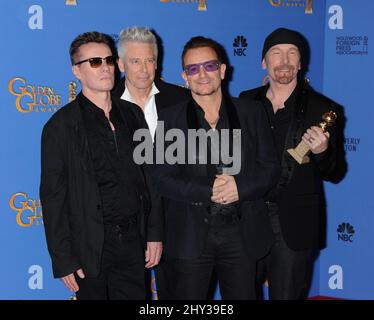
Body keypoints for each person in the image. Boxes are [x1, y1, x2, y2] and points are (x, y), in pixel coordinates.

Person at [148, 36, 279, 299]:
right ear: (184, 76)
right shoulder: (170, 119)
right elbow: (162, 177)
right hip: (190, 236)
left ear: (222, 70)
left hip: (241, 234)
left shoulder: (252, 112)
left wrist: (239, 187)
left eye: (209, 66)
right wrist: (208, 189)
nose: (202, 75)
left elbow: (270, 168)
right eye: (193, 69)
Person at [40, 31, 162, 300]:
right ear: (76, 71)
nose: (105, 67)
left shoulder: (132, 114)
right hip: (90, 248)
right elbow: (53, 197)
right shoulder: (60, 126)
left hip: (133, 242)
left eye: (108, 60)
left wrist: (154, 233)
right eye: (94, 62)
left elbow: (149, 177)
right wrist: (63, 258)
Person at [240, 27, 345, 300]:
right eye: (276, 53)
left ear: (300, 63)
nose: (284, 61)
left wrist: (323, 151)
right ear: (264, 62)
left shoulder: (325, 109)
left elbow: (335, 172)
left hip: (293, 223)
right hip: (248, 217)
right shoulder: (244, 101)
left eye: (291, 53)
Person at [112, 26, 190, 299]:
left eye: (149, 60)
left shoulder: (180, 99)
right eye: (135, 61)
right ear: (120, 63)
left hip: (176, 217)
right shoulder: (104, 102)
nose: (144, 69)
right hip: (124, 222)